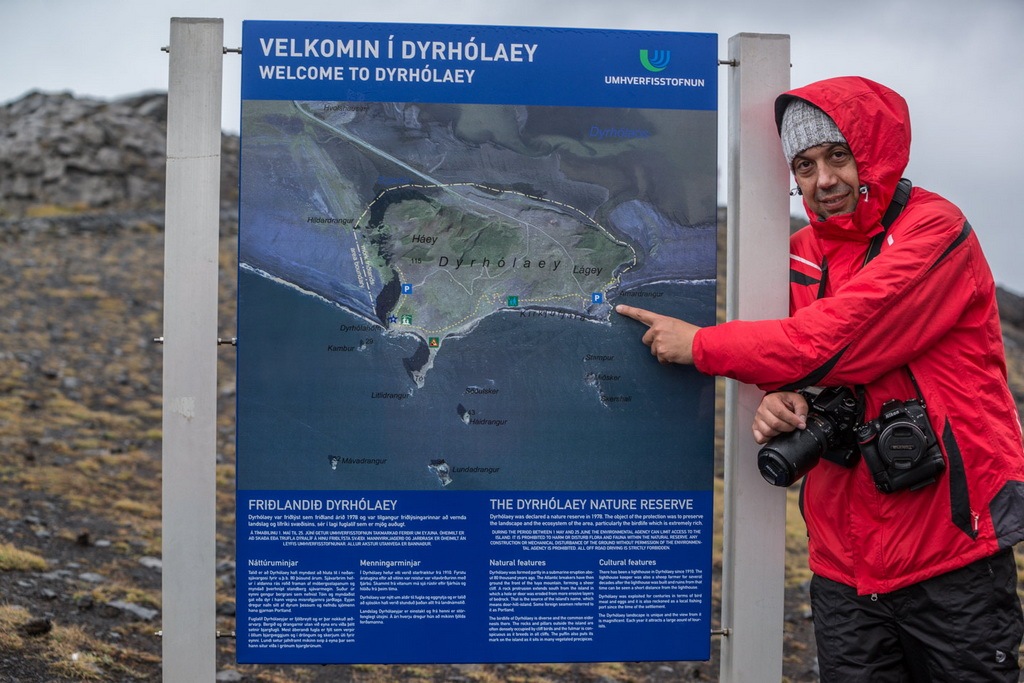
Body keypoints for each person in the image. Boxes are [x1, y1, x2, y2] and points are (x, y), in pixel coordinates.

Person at [616, 76, 1024, 682]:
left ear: (877, 154)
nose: (824, 180)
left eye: (839, 155)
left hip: (950, 550)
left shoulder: (936, 231)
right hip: (844, 565)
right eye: (804, 165)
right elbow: (791, 362)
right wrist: (781, 398)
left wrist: (699, 346)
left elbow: (837, 341)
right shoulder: (797, 255)